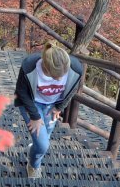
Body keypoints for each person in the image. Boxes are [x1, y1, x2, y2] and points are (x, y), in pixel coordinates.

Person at [14, 42, 84, 179]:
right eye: (55, 76)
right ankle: (34, 165)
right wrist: (34, 116)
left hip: (52, 106)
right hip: (32, 105)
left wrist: (59, 107)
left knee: (44, 138)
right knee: (42, 145)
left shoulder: (75, 68)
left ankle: (35, 148)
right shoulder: (29, 67)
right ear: (46, 67)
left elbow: (72, 89)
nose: (59, 79)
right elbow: (21, 91)